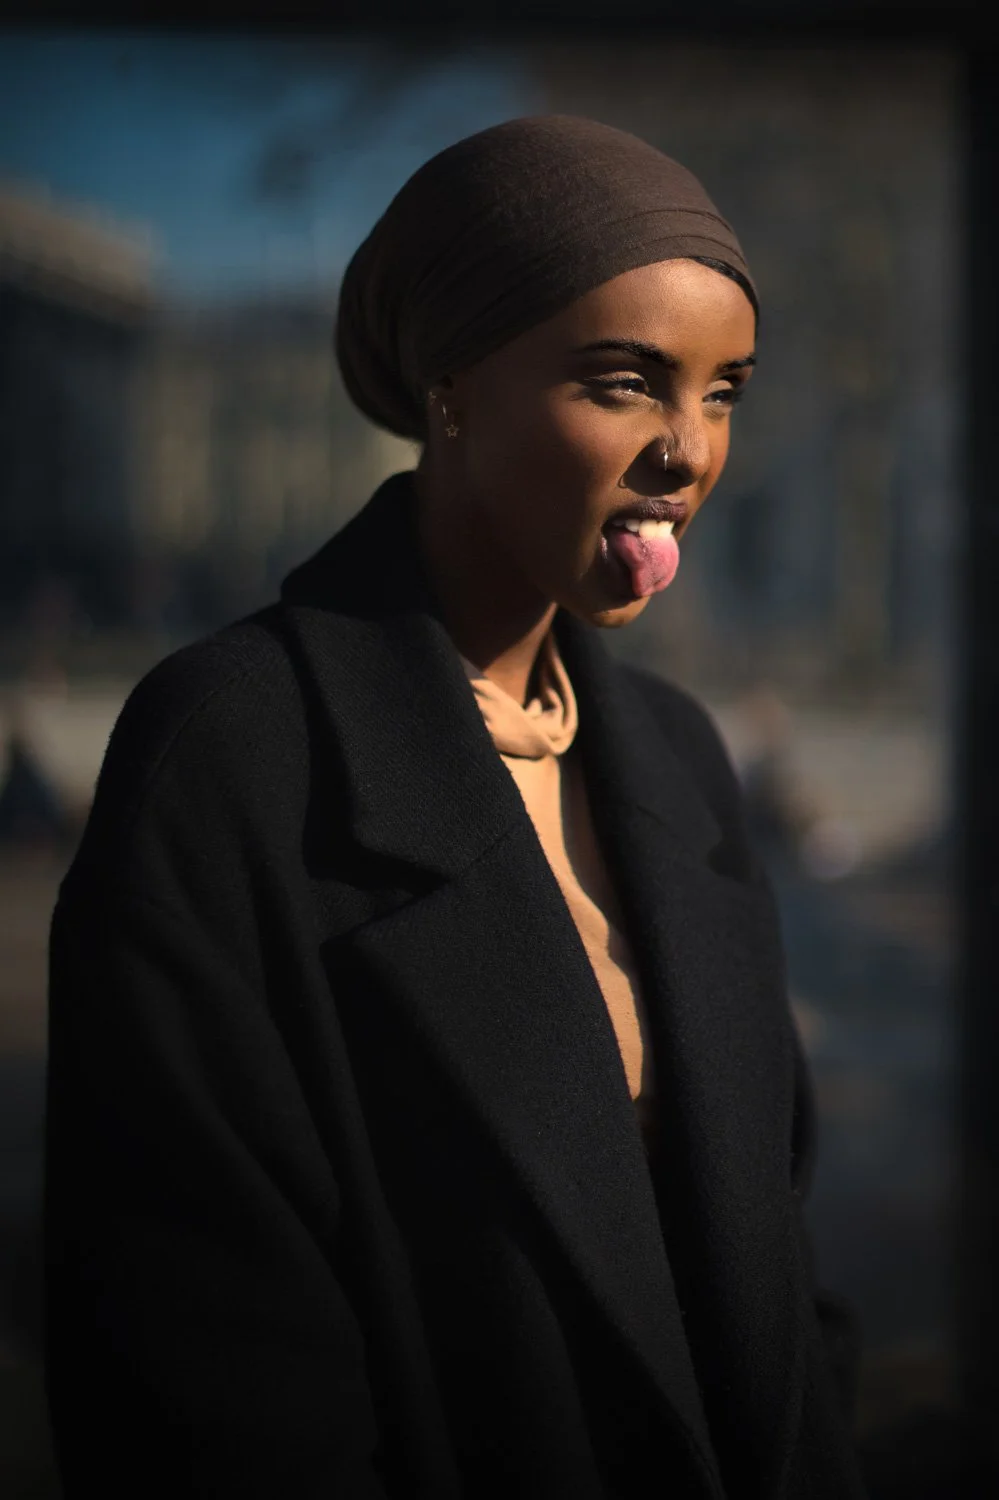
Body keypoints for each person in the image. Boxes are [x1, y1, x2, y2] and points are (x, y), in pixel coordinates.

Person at [44, 116, 867, 1499]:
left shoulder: (668, 755)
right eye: (625, 383)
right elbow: (195, 1356)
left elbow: (769, 1252)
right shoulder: (236, 752)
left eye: (722, 391)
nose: (687, 449)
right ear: (450, 388)